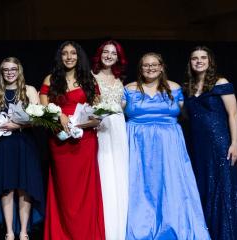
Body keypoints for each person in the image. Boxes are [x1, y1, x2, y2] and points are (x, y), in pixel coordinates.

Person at [124, 52, 209, 239]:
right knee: (140, 185)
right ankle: (141, 228)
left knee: (170, 183)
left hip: (169, 143)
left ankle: (174, 225)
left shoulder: (175, 88)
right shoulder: (129, 89)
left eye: (154, 64)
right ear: (140, 69)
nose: (150, 68)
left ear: (161, 67)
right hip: (138, 143)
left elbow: (188, 114)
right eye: (146, 65)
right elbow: (114, 113)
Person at [184, 46, 237, 239]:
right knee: (204, 186)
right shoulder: (188, 86)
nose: (199, 61)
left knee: (222, 187)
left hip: (219, 142)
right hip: (198, 145)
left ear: (210, 61)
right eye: (194, 58)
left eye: (203, 57)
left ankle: (227, 233)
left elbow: (233, 114)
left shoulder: (220, 82)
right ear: (190, 62)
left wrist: (235, 143)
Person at [39, 41, 105, 240]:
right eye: (64, 53)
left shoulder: (89, 80)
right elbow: (43, 110)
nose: (69, 57)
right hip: (60, 141)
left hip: (84, 140)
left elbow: (98, 114)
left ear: (79, 56)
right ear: (60, 57)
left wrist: (80, 125)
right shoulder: (51, 80)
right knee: (64, 192)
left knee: (84, 192)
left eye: (73, 53)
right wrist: (58, 115)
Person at [0, 57, 43, 240]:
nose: (10, 72)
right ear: (1, 73)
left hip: (24, 143)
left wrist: (17, 125)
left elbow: (39, 118)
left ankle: (24, 232)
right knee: (7, 188)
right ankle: (9, 232)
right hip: (4, 146)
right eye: (6, 70)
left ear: (19, 71)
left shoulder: (30, 90)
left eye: (13, 69)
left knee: (24, 187)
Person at [91, 40, 129, 240]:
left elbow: (122, 105)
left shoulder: (119, 79)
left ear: (118, 57)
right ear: (100, 54)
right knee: (104, 168)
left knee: (119, 171)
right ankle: (105, 224)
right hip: (101, 126)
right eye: (105, 52)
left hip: (118, 127)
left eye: (113, 53)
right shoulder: (91, 77)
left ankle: (120, 224)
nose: (109, 56)